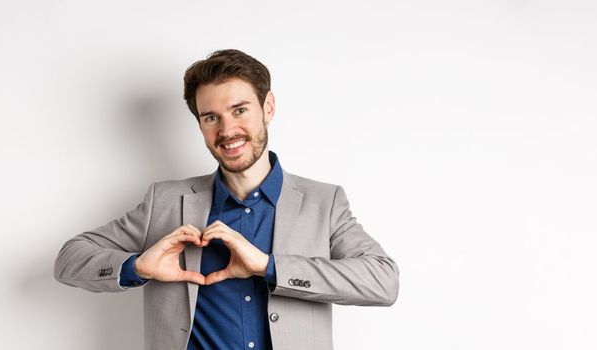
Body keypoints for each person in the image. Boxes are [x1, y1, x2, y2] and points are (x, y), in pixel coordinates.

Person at [54, 49, 399, 350]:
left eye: (239, 110)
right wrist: (138, 266)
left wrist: (269, 266)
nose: (227, 130)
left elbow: (383, 281)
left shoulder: (323, 203)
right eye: (211, 117)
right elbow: (70, 259)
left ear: (268, 107)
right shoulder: (166, 201)